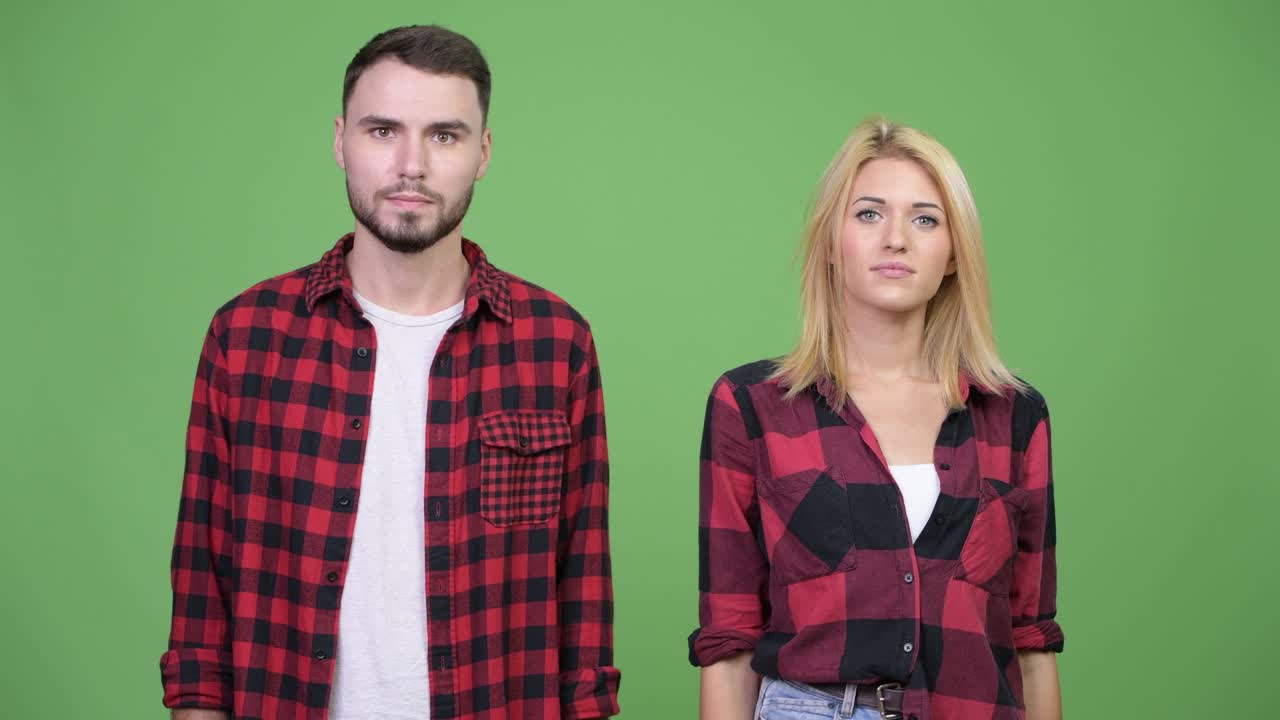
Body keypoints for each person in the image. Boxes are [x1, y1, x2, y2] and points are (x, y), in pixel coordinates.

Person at [160, 25, 619, 720]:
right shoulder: (246, 337)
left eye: (444, 135)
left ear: (483, 152)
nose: (412, 164)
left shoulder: (556, 343)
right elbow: (202, 595)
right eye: (383, 132)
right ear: (340, 140)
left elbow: (580, 600)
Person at [690, 118, 1062, 720]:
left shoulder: (1015, 416)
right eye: (868, 214)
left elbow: (1032, 637)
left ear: (952, 255)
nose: (896, 239)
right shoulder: (753, 406)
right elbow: (729, 640)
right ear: (832, 244)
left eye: (925, 219)